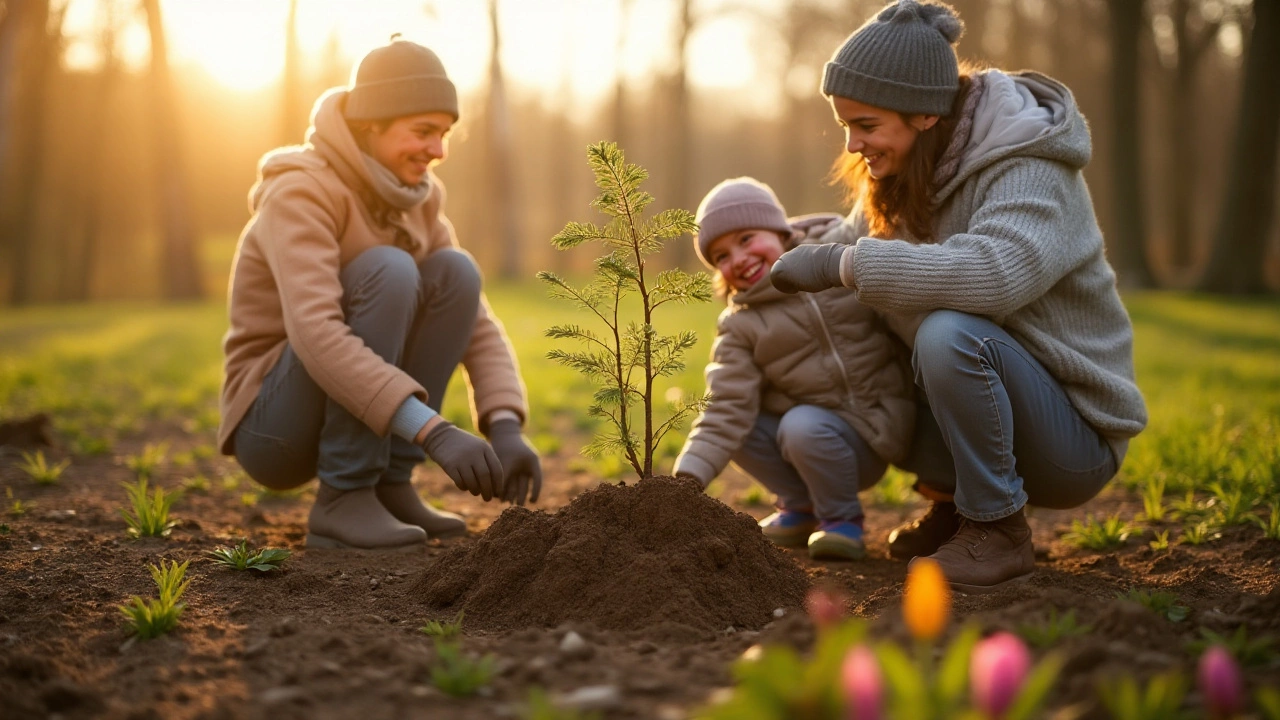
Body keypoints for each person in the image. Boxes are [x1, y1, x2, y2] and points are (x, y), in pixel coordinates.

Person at [770, 0, 1147, 591]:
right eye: (846, 124)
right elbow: (847, 239)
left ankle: (996, 529)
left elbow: (998, 273)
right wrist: (768, 245)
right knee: (857, 319)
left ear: (923, 113)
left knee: (947, 330)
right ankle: (954, 504)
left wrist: (842, 263)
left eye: (865, 126)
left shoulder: (1027, 166)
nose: (852, 144)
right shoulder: (905, 170)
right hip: (995, 410)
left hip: (1071, 438)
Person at [218, 38, 542, 550]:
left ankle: (390, 485)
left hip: (345, 405)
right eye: (423, 132)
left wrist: (504, 423)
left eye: (444, 134)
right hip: (274, 427)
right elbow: (316, 334)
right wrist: (432, 430)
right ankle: (344, 495)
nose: (438, 150)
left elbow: (473, 319)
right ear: (371, 123)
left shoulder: (419, 196)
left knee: (455, 272)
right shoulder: (301, 192)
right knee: (388, 269)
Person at [672, 178, 916, 561]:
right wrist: (686, 480)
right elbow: (724, 407)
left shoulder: (834, 261)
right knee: (744, 424)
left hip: (877, 427)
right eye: (721, 256)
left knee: (802, 425)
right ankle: (801, 507)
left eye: (746, 238)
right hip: (811, 440)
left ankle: (841, 521)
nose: (737, 258)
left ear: (781, 231)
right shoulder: (740, 323)